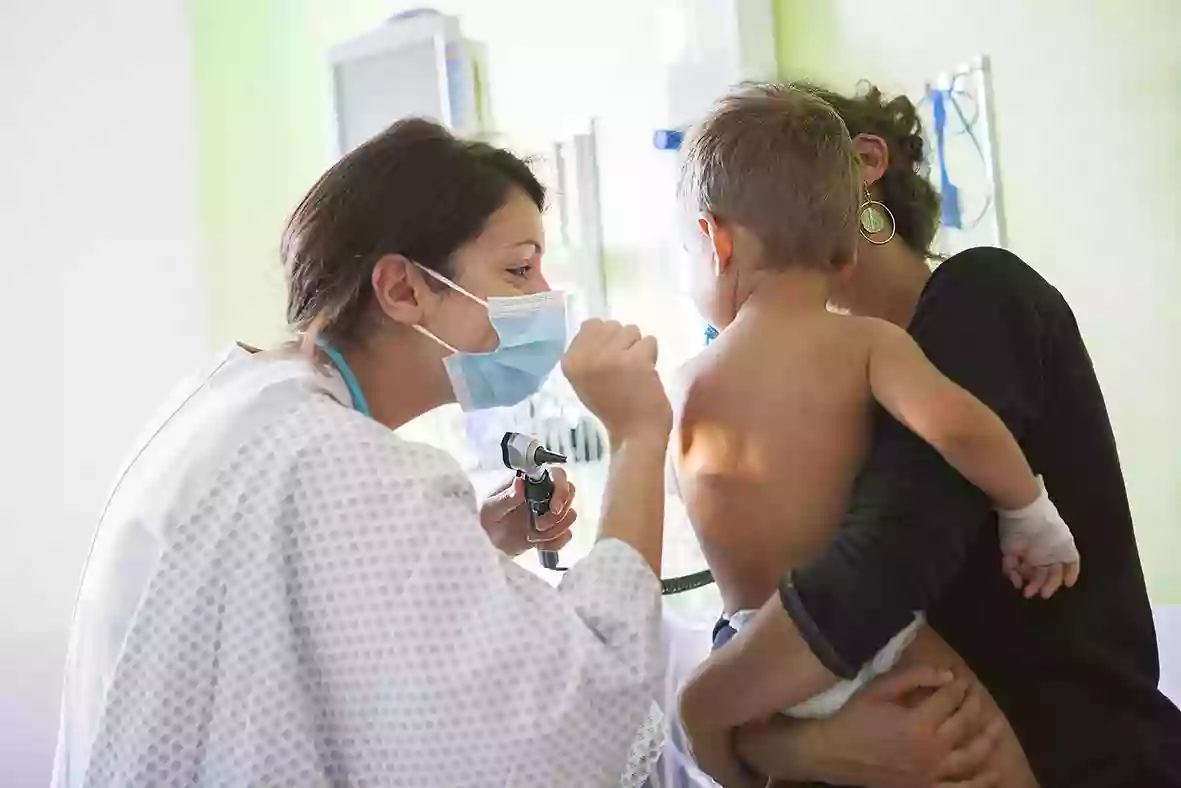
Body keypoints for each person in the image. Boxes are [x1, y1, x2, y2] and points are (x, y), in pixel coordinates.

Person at [52, 118, 674, 788]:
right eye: (519, 269)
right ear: (403, 289)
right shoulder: (335, 461)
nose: (546, 298)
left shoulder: (241, 403)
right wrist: (637, 436)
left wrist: (473, 543)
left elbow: (298, 629)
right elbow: (576, 720)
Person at [676, 83, 1181, 787]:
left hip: (1074, 754)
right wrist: (802, 750)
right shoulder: (828, 371)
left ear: (865, 164)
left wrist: (703, 707)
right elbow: (765, 593)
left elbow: (873, 573)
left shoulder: (980, 297)